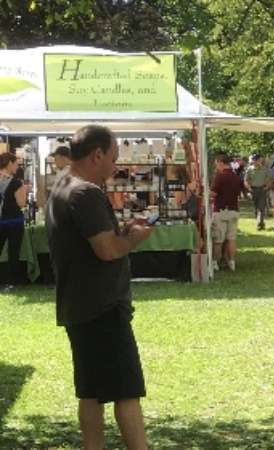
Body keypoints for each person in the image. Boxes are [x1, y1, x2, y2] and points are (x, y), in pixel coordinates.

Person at [49, 125, 155, 450]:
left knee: (92, 392)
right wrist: (134, 238)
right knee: (126, 391)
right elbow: (107, 250)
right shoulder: (86, 192)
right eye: (113, 157)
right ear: (97, 155)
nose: (115, 165)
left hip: (78, 305)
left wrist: (119, 232)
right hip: (102, 308)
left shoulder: (63, 186)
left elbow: (94, 240)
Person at [0, 154, 30, 289]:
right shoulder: (17, 182)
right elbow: (21, 203)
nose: (17, 166)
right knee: (13, 252)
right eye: (16, 163)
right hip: (14, 221)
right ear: (9, 163)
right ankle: (11, 282)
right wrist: (25, 190)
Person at [211, 155, 242, 271]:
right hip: (234, 210)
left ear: (220, 162)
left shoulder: (220, 176)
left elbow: (213, 193)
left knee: (218, 239)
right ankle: (232, 262)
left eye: (216, 163)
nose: (216, 166)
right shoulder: (236, 177)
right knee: (231, 238)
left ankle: (215, 262)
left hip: (221, 210)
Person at [243, 155, 272, 231]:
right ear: (253, 161)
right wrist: (249, 188)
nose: (257, 162)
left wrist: (267, 187)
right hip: (253, 190)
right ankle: (261, 223)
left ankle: (259, 223)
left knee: (261, 207)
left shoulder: (265, 169)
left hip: (262, 189)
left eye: (259, 160)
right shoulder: (249, 169)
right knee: (256, 208)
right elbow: (246, 180)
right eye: (255, 160)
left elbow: (269, 178)